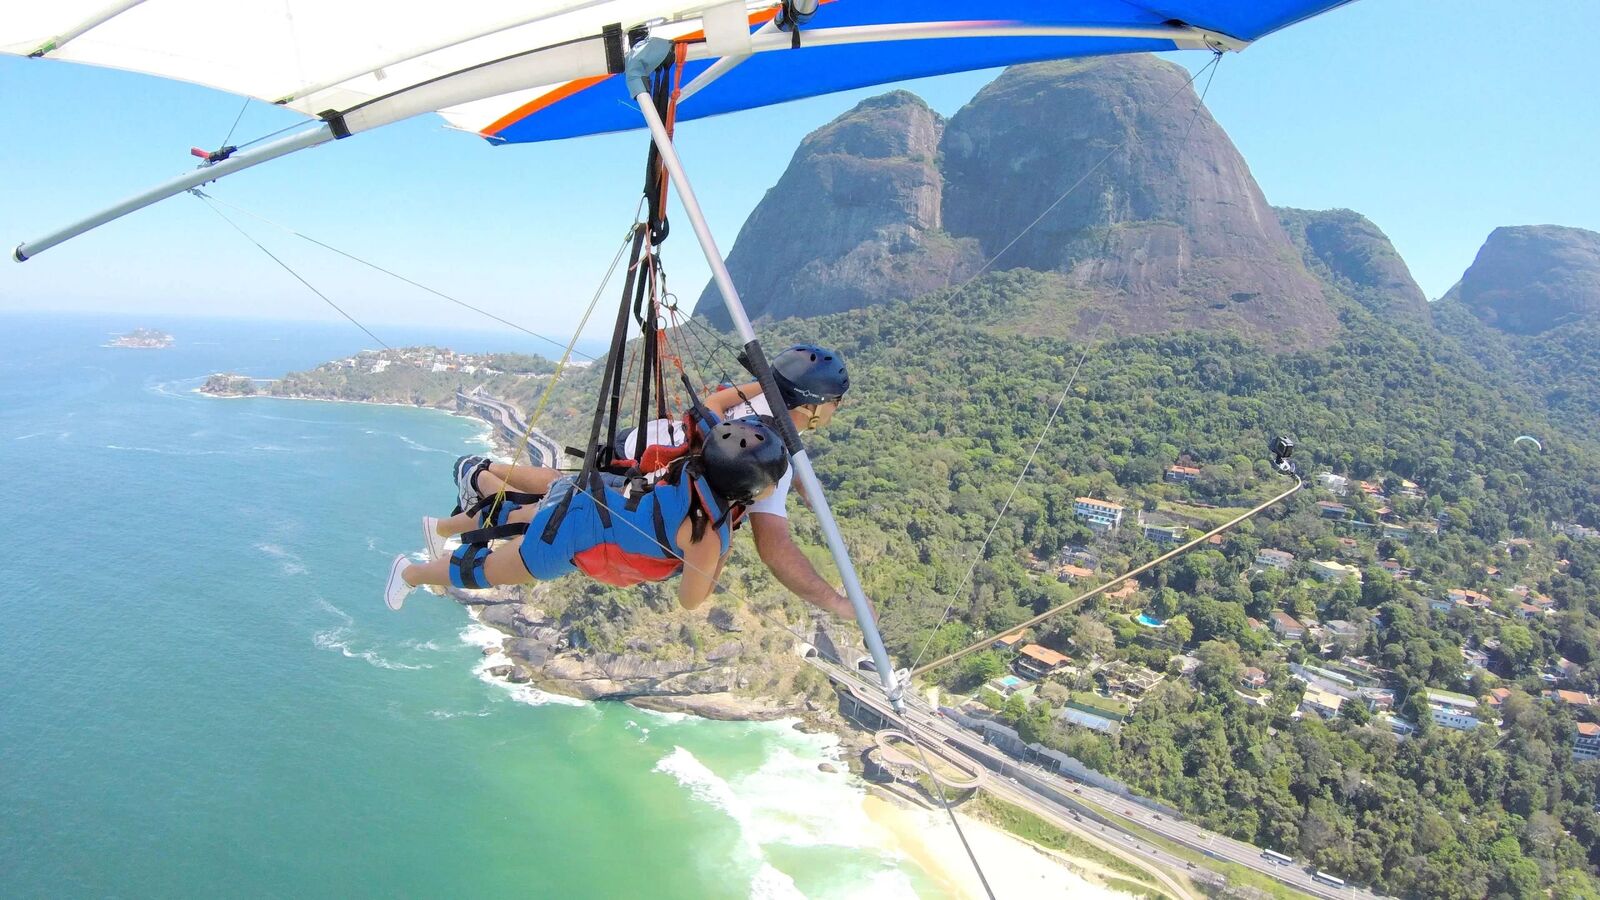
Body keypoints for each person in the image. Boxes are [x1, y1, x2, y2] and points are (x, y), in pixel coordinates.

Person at [446, 344, 859, 619]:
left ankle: (470, 492)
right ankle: (480, 478)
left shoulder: (752, 399)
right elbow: (776, 549)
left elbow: (714, 403)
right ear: (821, 406)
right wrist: (838, 604)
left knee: (558, 491)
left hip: (643, 446)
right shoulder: (770, 460)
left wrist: (775, 387)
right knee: (555, 515)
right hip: (650, 489)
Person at [385, 417, 788, 611]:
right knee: (484, 570)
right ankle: (411, 572)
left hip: (588, 491)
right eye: (773, 483)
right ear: (748, 490)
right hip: (568, 534)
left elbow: (711, 417)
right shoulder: (707, 536)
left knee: (519, 514)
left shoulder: (691, 464)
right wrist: (721, 555)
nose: (774, 490)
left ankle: (463, 503)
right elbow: (690, 601)